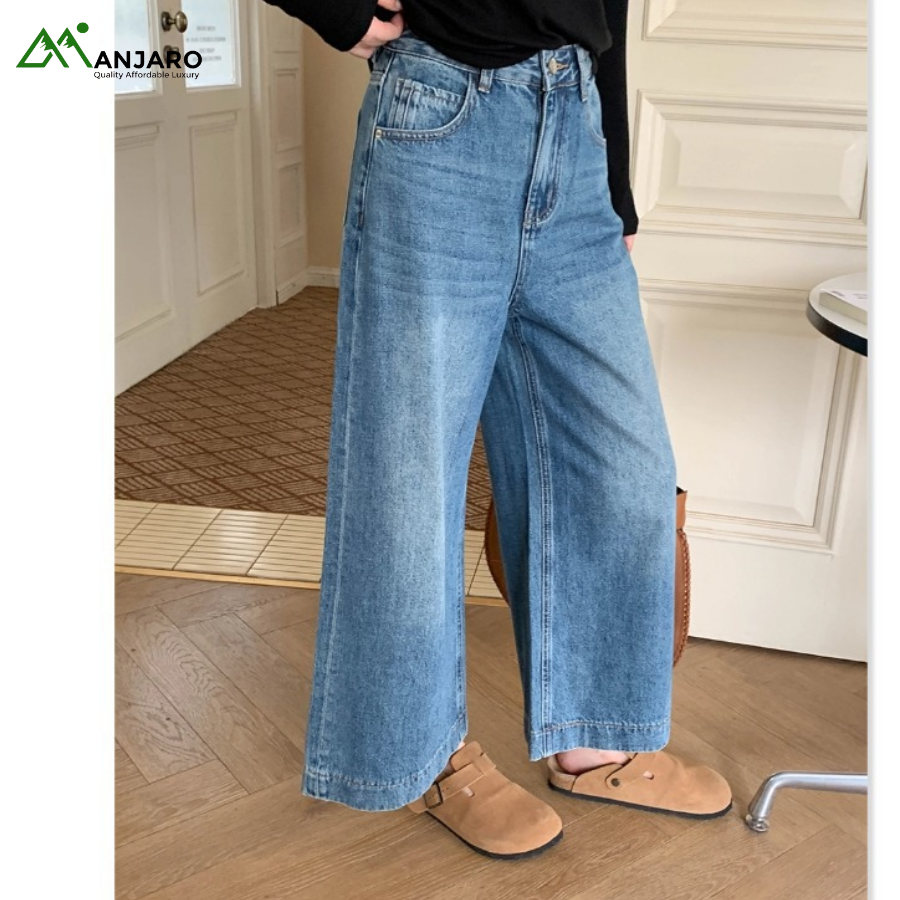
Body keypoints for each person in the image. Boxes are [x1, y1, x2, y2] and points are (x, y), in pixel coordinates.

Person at [262, 0, 732, 859]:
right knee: (410, 475)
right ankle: (424, 758)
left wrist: (615, 185)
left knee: (621, 468)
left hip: (575, 124)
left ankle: (592, 742)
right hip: (440, 116)